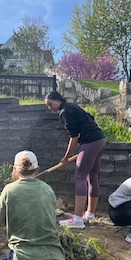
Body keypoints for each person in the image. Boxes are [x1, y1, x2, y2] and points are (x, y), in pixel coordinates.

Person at [0, 150, 66, 260]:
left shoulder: (9, 190)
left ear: (14, 169)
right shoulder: (48, 189)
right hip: (54, 258)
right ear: (37, 169)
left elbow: (0, 223)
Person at [44, 91, 106, 229]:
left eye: (50, 104)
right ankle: (89, 214)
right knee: (93, 175)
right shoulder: (72, 106)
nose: (50, 107)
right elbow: (92, 118)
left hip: (90, 142)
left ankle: (77, 219)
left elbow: (74, 137)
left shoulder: (64, 112)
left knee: (80, 177)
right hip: (100, 140)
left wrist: (66, 157)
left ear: (57, 100)